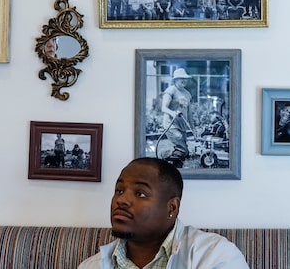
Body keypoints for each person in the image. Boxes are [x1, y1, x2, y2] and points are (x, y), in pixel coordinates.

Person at [78, 157, 249, 269]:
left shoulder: (214, 255)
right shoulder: (90, 266)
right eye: (119, 190)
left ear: (172, 208)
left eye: (140, 194)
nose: (121, 200)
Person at [154, 68, 194, 167]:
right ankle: (163, 156)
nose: (184, 80)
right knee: (182, 150)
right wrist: (172, 113)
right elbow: (163, 108)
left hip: (182, 126)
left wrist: (193, 128)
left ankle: (174, 166)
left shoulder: (187, 94)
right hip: (171, 125)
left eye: (185, 78)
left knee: (183, 154)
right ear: (175, 80)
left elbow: (189, 114)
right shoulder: (170, 91)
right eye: (181, 78)